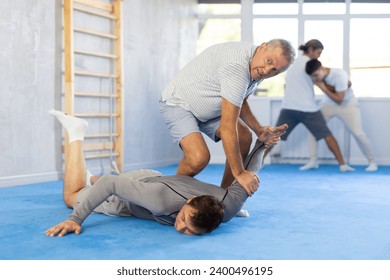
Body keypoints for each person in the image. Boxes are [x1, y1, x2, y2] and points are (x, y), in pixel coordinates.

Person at [45, 110, 287, 237]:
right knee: (72, 196)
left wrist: (262, 144)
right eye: (183, 220)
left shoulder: (229, 208)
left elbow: (250, 174)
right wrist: (75, 219)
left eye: (190, 231)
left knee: (100, 184)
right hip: (135, 193)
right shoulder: (159, 201)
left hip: (154, 178)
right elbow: (111, 184)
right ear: (190, 202)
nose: (180, 228)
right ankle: (76, 133)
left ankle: (88, 178)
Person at [160, 39, 296, 191]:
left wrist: (259, 130)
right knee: (198, 158)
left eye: (274, 70)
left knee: (244, 137)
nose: (266, 71)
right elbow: (227, 127)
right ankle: (170, 193)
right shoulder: (237, 66)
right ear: (262, 47)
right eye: (268, 61)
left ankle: (224, 197)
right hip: (179, 103)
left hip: (209, 109)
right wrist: (240, 173)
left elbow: (241, 101)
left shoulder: (257, 67)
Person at [268, 39, 354, 172]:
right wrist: (346, 84)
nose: (319, 56)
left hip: (289, 107)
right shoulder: (311, 65)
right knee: (327, 135)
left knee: (273, 137)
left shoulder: (293, 62)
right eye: (318, 52)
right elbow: (323, 77)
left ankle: (255, 165)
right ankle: (343, 165)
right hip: (308, 108)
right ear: (311, 50)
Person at [299, 59, 377, 172]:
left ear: (322, 69)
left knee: (358, 133)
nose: (315, 79)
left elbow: (339, 100)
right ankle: (313, 161)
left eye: (316, 75)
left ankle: (372, 162)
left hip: (348, 105)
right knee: (313, 129)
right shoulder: (316, 76)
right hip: (327, 105)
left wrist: (323, 88)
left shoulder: (339, 75)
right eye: (312, 76)